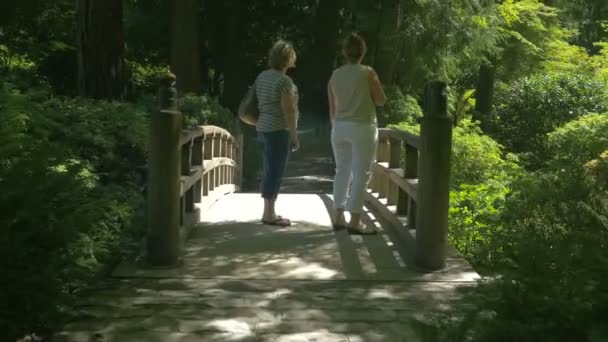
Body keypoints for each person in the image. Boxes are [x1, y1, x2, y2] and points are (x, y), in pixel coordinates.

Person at [328, 33, 386, 234]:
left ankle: (338, 216)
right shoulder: (367, 73)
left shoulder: (335, 75)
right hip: (362, 127)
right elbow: (380, 100)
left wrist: (336, 125)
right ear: (363, 52)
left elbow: (332, 108)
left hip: (339, 127)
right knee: (361, 173)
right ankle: (355, 221)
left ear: (344, 52)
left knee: (342, 171)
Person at [255, 40, 300, 226]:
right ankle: (269, 214)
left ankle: (268, 211)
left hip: (263, 128)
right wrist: (294, 135)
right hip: (277, 130)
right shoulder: (284, 81)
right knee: (275, 171)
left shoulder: (263, 76)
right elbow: (288, 110)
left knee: (269, 169)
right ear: (287, 59)